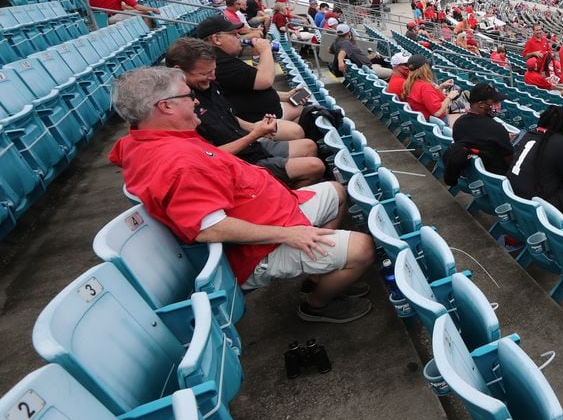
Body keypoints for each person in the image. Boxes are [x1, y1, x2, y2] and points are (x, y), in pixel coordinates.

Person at [108, 67, 374, 323]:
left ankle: (320, 276)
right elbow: (209, 228)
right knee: (363, 249)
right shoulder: (176, 162)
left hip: (281, 212)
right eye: (188, 96)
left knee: (337, 191)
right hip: (262, 246)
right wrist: (290, 234)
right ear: (166, 106)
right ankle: (316, 305)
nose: (196, 102)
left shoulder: (158, 139)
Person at [165, 37, 324, 187]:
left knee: (309, 146)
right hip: (238, 164)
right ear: (178, 71)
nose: (212, 77)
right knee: (314, 166)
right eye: (204, 73)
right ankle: (284, 203)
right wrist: (254, 135)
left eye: (213, 71)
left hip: (248, 146)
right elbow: (209, 156)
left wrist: (256, 128)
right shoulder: (179, 110)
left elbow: (228, 116)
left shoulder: (209, 86)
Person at [191, 16, 304, 123]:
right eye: (234, 34)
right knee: (307, 112)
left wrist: (286, 96)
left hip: (265, 112)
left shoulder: (222, 57)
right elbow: (264, 80)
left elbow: (248, 85)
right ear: (216, 39)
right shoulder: (218, 61)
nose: (239, 37)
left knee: (303, 115)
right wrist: (265, 50)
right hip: (260, 119)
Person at [447, 83, 513, 177]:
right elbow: (510, 161)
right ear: (481, 104)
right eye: (494, 101)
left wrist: (503, 137)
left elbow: (478, 139)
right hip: (498, 175)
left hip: (476, 174)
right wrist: (504, 137)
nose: (498, 105)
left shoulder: (459, 123)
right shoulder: (496, 128)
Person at [403, 55, 461, 125]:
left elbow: (426, 97)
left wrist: (441, 87)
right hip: (438, 123)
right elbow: (437, 112)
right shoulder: (425, 87)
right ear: (425, 69)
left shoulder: (410, 83)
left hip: (427, 122)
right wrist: (450, 97)